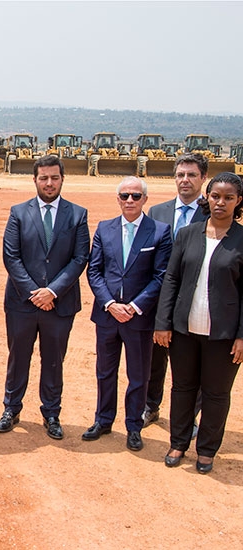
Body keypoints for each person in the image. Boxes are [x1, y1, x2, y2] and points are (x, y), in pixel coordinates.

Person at [154, 172, 243, 474]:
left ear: (238, 201)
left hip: (224, 335)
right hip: (184, 330)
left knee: (217, 394)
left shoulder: (242, 240)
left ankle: (206, 451)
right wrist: (163, 322)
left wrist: (242, 336)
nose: (221, 202)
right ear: (207, 198)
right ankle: (178, 443)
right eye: (216, 196)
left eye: (228, 197)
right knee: (182, 388)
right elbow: (171, 279)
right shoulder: (188, 234)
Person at [0, 155, 89, 440]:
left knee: (53, 360)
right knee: (18, 357)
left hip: (60, 305)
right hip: (23, 303)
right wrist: (34, 292)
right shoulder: (19, 212)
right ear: (34, 180)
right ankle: (11, 408)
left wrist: (53, 291)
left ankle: (51, 413)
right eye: (44, 178)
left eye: (55, 178)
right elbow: (11, 256)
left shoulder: (77, 214)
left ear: (62, 179)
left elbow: (80, 257)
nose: (49, 183)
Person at [84, 176, 172, 451]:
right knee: (105, 371)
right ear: (118, 199)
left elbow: (161, 276)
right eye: (125, 196)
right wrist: (110, 304)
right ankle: (103, 420)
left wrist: (133, 307)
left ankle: (134, 426)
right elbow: (95, 270)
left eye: (135, 196)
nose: (130, 200)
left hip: (139, 318)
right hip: (108, 316)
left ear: (145, 199)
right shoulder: (104, 228)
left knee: (138, 375)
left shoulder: (159, 231)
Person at [144, 153, 209, 428]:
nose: (185, 180)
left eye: (192, 175)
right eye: (180, 175)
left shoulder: (212, 212)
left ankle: (188, 418)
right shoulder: (157, 212)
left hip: (194, 300)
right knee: (153, 360)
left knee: (190, 365)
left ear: (203, 178)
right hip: (159, 299)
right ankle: (150, 406)